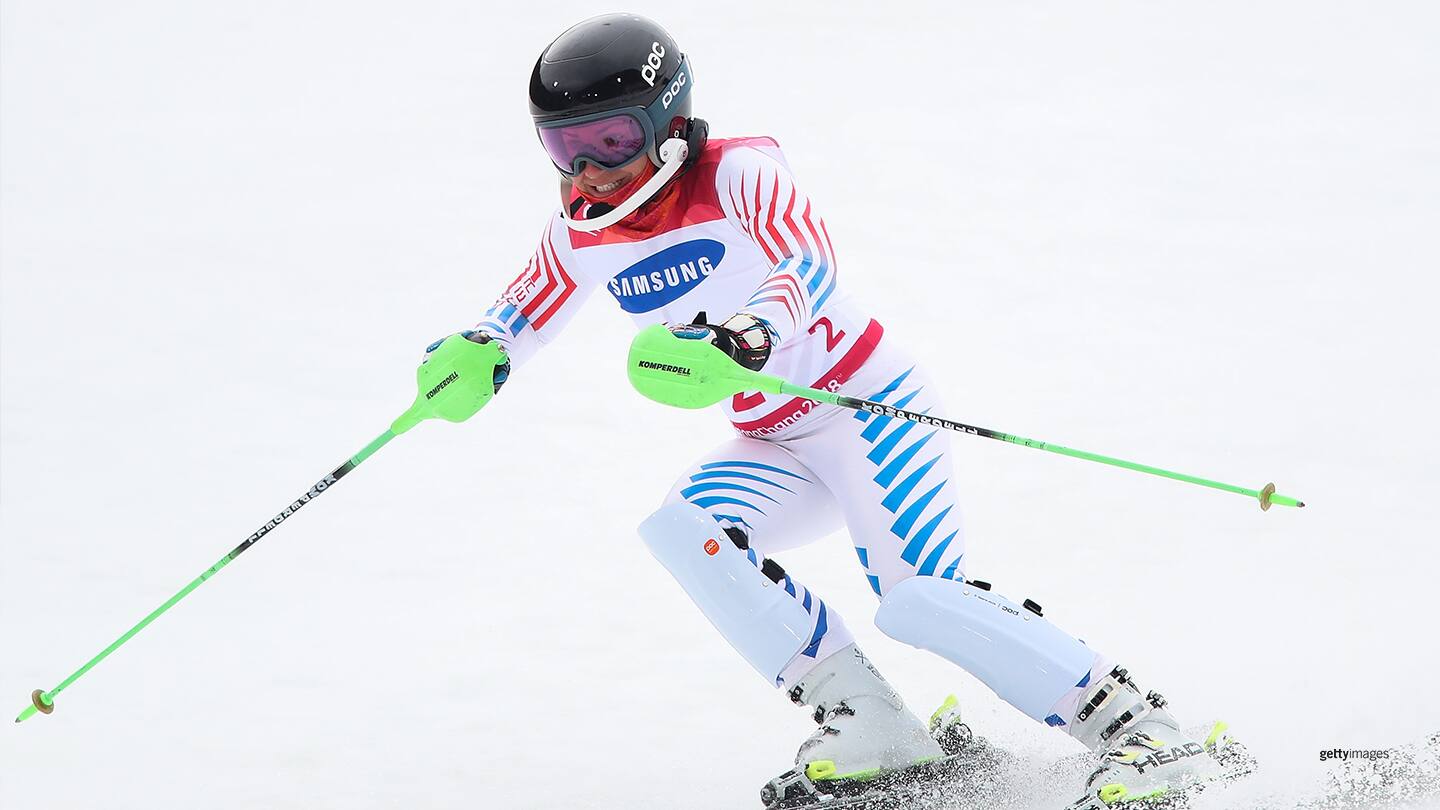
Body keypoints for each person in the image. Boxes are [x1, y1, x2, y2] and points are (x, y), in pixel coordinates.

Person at [430, 13, 1244, 809]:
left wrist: (749, 333)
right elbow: (526, 306)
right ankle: (874, 726)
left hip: (868, 408)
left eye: (610, 140)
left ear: (668, 122)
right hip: (774, 440)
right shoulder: (580, 230)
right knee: (685, 529)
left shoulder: (739, 173)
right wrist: (480, 347)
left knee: (917, 599)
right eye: (563, 147)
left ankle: (1144, 730)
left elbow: (807, 261)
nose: (588, 170)